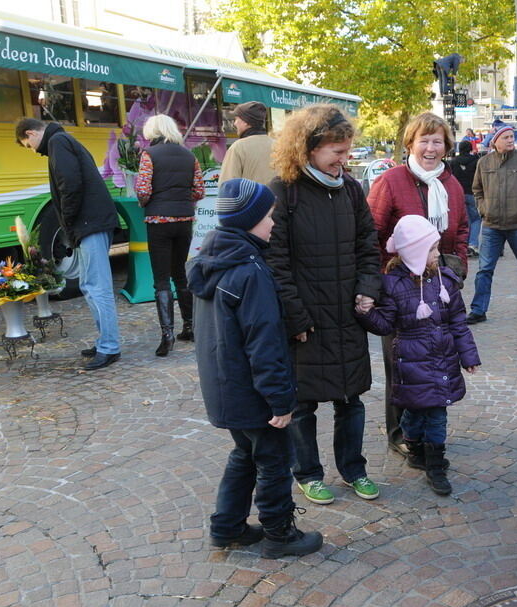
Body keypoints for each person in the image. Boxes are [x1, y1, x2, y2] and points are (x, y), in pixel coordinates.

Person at [188, 178, 323, 559]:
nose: (273, 224)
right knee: (274, 459)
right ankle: (279, 533)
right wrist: (280, 401)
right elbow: (263, 344)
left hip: (224, 388)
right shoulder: (250, 271)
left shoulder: (210, 262)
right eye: (267, 217)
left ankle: (226, 527)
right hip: (251, 391)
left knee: (244, 454)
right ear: (248, 221)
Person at [266, 104, 382, 506]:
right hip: (307, 320)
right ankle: (308, 474)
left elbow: (368, 245)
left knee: (352, 399)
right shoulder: (284, 191)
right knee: (303, 405)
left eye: (347, 151)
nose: (343, 160)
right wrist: (294, 315)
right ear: (309, 148)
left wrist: (369, 287)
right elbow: (275, 263)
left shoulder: (351, 189)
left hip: (347, 315)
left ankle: (354, 469)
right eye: (337, 151)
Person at [367, 112, 469, 462]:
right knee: (402, 366)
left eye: (437, 140)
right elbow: (372, 234)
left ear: (446, 146)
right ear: (410, 143)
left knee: (437, 360)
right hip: (398, 291)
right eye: (423, 140)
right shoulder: (391, 181)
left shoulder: (451, 185)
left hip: (439, 290)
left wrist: (456, 271)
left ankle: (430, 434)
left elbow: (461, 232)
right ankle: (402, 434)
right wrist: (385, 281)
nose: (430, 147)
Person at [355, 215, 481, 495]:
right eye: (432, 250)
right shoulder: (394, 285)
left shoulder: (444, 281)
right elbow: (385, 325)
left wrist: (468, 356)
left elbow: (458, 321)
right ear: (413, 253)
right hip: (411, 363)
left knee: (437, 413)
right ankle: (413, 447)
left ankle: (435, 465)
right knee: (413, 413)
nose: (438, 254)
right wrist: (366, 314)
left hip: (443, 360)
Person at [15, 118, 121, 370]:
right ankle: (105, 341)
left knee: (97, 287)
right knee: (89, 284)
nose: (32, 149)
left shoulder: (58, 142)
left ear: (31, 133)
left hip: (88, 224)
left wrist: (69, 221)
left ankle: (110, 347)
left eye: (27, 144)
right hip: (89, 224)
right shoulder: (61, 140)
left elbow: (69, 186)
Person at [135, 114, 204, 357]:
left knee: (162, 279)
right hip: (185, 220)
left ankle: (167, 336)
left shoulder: (149, 155)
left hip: (159, 220)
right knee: (181, 276)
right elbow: (199, 190)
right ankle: (190, 327)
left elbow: (143, 190)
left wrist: (148, 202)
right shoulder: (189, 155)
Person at [465, 126, 517, 323]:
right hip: (492, 225)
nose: (511, 140)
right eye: (506, 137)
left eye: (512, 137)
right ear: (495, 141)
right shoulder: (484, 163)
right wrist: (483, 209)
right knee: (484, 269)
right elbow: (477, 190)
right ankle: (478, 310)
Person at [220, 101, 276, 186]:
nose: (235, 123)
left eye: (236, 119)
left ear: (246, 122)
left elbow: (227, 187)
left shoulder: (238, 147)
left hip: (250, 199)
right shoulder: (278, 146)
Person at [449, 140, 482, 257]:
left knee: (465, 219)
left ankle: (465, 244)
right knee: (476, 219)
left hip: (458, 195)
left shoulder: (453, 162)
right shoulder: (476, 161)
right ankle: (473, 244)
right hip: (472, 193)